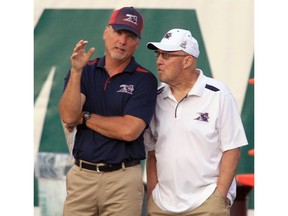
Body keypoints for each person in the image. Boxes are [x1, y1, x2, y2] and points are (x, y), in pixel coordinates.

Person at [59, 7, 158, 216]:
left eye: (130, 36)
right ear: (106, 32)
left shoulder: (144, 79)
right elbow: (68, 116)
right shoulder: (83, 70)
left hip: (122, 179)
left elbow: (129, 130)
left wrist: (85, 117)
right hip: (82, 176)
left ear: (137, 43)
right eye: (118, 32)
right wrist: (76, 71)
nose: (122, 41)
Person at [144, 28, 248, 216]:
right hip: (162, 207)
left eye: (166, 55)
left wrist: (218, 197)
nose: (159, 60)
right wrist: (153, 195)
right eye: (158, 54)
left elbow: (232, 150)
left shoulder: (218, 94)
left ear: (187, 60)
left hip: (206, 205)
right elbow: (152, 152)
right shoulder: (157, 97)